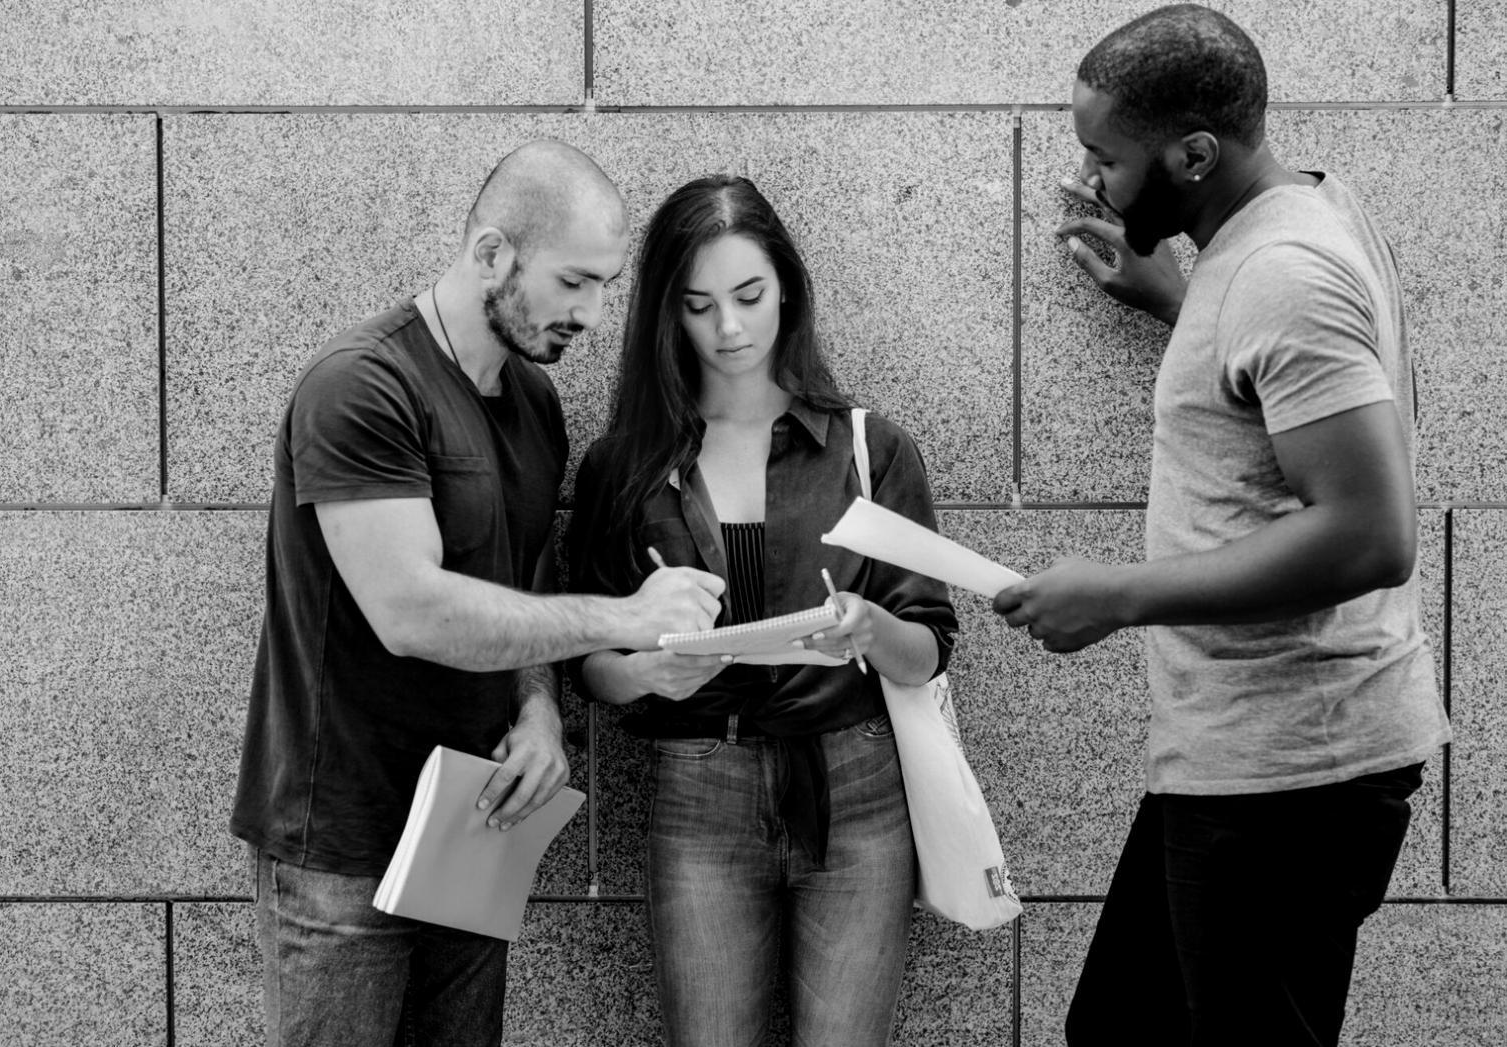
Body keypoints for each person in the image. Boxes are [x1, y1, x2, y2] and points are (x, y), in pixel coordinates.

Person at [992, 7, 1452, 1046]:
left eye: (1105, 158)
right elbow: (1273, 405)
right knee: (1121, 1029)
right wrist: (1181, 301)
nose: (1090, 180)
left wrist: (1119, 595)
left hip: (1291, 776)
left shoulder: (1280, 274)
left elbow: (1370, 534)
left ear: (1194, 153)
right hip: (1247, 762)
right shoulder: (1276, 235)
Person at [229, 139, 727, 1047]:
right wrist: (623, 619)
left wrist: (539, 712)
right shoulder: (363, 386)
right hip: (341, 839)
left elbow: (523, 572)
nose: (594, 311)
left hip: (472, 822)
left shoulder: (533, 400)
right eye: (575, 282)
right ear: (493, 253)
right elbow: (409, 609)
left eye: (608, 285)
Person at [567, 174, 958, 1047]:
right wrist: (645, 671)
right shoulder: (624, 466)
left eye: (748, 296)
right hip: (700, 785)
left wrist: (866, 624)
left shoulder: (868, 447)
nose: (730, 329)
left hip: (854, 784)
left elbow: (930, 647)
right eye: (699, 306)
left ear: (787, 286)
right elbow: (586, 663)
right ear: (667, 314)